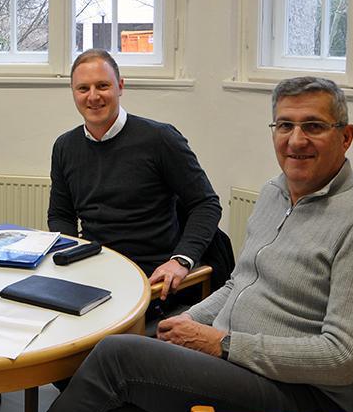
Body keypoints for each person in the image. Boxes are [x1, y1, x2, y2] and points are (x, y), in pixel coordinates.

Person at [18, 76, 353, 412]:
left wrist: (223, 344)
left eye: (314, 126)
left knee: (116, 353)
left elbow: (340, 360)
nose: (296, 140)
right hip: (238, 372)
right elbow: (240, 283)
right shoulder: (274, 193)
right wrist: (191, 321)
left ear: (346, 136)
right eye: (285, 125)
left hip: (302, 401)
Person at [49, 48, 223, 302]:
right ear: (73, 93)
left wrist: (181, 260)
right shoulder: (65, 146)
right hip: (93, 269)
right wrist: (71, 256)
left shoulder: (160, 139)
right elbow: (61, 215)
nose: (93, 96)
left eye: (103, 86)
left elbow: (205, 203)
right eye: (83, 88)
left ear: (120, 86)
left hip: (151, 277)